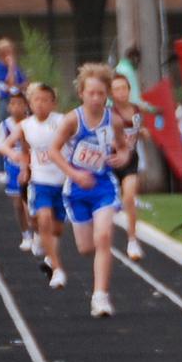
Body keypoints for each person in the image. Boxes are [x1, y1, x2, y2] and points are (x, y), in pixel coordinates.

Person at [52, 64, 129, 317]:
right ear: (81, 94)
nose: (96, 98)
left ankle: (100, 297)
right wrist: (74, 174)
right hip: (77, 189)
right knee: (86, 248)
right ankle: (98, 262)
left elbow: (123, 147)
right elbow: (53, 151)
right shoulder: (72, 120)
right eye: (91, 93)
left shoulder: (113, 120)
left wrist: (122, 156)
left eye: (101, 94)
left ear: (107, 95)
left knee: (104, 236)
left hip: (103, 186)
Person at [20, 81, 69, 287]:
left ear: (53, 103)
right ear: (30, 103)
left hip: (62, 181)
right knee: (44, 218)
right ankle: (57, 270)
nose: (40, 104)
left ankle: (49, 255)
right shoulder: (25, 126)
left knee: (57, 229)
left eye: (45, 100)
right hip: (40, 181)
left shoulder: (62, 121)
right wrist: (24, 168)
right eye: (36, 100)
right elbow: (21, 149)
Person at [107, 68, 146, 262]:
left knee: (129, 197)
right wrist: (115, 144)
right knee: (106, 205)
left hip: (130, 160)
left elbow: (138, 130)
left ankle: (132, 240)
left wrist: (143, 132)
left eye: (124, 88)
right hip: (111, 161)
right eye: (117, 89)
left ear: (129, 90)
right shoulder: (108, 113)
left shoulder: (136, 111)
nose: (121, 92)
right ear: (111, 94)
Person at [0, 91, 37, 253]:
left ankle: (36, 232)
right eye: (13, 104)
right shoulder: (5, 125)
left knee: (30, 203)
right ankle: (26, 234)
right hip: (13, 168)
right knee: (18, 204)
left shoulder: (32, 122)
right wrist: (12, 154)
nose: (16, 107)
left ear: (26, 106)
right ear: (8, 107)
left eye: (19, 103)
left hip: (32, 166)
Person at [0, 36, 25, 104]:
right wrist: (10, 68)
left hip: (19, 98)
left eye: (11, 52)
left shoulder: (15, 66)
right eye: (7, 52)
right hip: (6, 100)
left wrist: (20, 87)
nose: (11, 55)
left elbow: (24, 82)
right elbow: (9, 84)